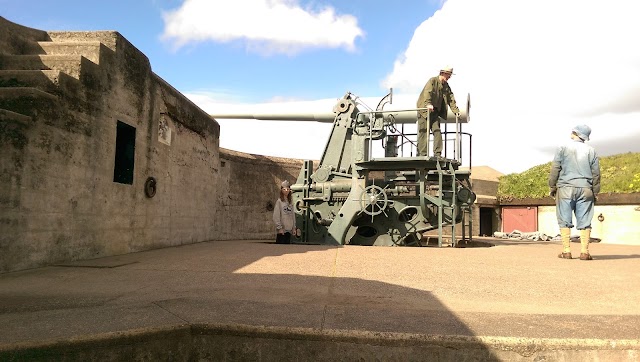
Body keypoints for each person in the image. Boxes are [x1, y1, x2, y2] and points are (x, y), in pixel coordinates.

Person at [549, 124, 601, 260]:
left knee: (564, 219)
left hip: (565, 188)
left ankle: (566, 251)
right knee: (585, 220)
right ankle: (584, 252)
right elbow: (596, 174)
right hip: (586, 189)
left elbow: (555, 168)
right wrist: (595, 192)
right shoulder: (591, 151)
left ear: (575, 133)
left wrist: (552, 186)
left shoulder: (563, 147)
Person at [416, 66, 461, 159]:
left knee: (437, 131)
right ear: (443, 73)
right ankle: (422, 154)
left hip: (435, 112)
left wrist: (456, 111)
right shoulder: (432, 81)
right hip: (424, 110)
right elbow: (427, 92)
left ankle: (437, 154)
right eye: (448, 74)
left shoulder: (446, 86)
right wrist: (428, 104)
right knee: (424, 132)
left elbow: (451, 99)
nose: (449, 77)